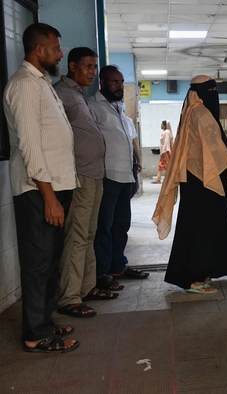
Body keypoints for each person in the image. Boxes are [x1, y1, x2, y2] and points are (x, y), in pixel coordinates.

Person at [4, 22, 79, 352]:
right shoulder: (23, 86)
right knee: (37, 264)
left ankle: (45, 321)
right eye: (56, 48)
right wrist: (50, 198)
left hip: (53, 188)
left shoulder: (41, 83)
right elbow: (31, 148)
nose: (60, 53)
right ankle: (35, 333)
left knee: (50, 261)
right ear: (39, 50)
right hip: (37, 190)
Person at [152, 75, 227, 293]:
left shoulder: (190, 112)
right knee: (203, 229)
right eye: (210, 91)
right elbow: (216, 152)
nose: (214, 96)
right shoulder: (202, 115)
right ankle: (194, 278)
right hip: (205, 183)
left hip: (194, 181)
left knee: (195, 227)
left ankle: (201, 272)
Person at [53, 47, 114, 318]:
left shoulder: (80, 95)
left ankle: (86, 287)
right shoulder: (61, 94)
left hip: (95, 173)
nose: (92, 72)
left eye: (94, 67)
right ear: (73, 65)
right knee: (77, 237)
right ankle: (69, 297)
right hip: (80, 175)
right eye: (88, 67)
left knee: (89, 234)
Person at [89, 65, 149, 291]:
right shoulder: (93, 108)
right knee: (104, 226)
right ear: (102, 83)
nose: (119, 86)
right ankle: (101, 272)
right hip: (107, 176)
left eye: (121, 82)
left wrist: (137, 162)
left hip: (126, 176)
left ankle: (118, 265)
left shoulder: (120, 110)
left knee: (122, 225)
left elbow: (130, 140)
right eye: (114, 82)